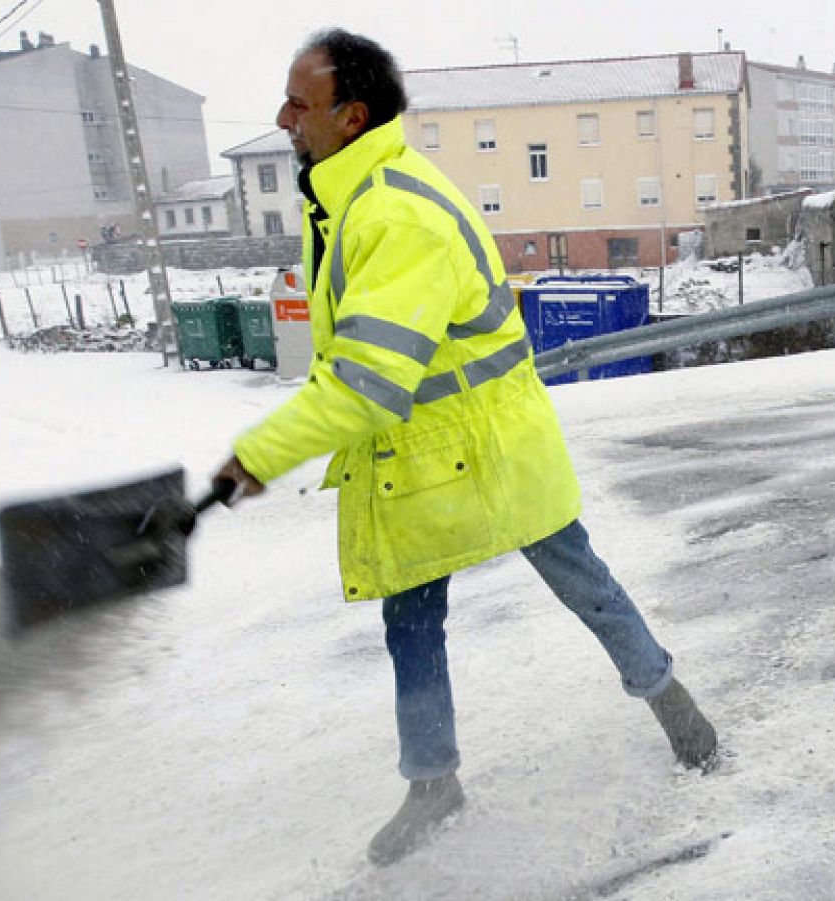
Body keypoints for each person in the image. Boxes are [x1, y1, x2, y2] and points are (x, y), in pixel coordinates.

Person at [213, 29, 718, 867]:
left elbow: (366, 379)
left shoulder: (394, 214)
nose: (284, 118)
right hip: (422, 460)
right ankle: (433, 782)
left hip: (488, 448)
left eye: (299, 104)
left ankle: (680, 715)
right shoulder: (347, 195)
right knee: (410, 619)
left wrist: (258, 454)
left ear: (352, 115)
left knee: (581, 581)